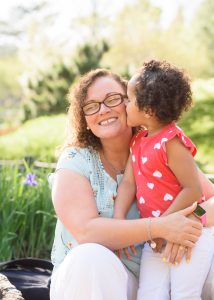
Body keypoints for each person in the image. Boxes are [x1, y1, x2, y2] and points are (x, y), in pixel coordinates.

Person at [49, 68, 214, 300]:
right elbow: (87, 231)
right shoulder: (75, 161)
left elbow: (206, 197)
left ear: (135, 101)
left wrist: (192, 217)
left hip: (152, 275)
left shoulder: (159, 146)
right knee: (89, 257)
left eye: (113, 99)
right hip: (92, 280)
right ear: (84, 119)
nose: (104, 109)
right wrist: (160, 227)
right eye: (92, 105)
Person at [113, 60, 214, 299]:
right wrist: (119, 221)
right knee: (149, 294)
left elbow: (192, 189)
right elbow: (129, 183)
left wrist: (163, 227)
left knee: (184, 294)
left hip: (190, 233)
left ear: (147, 110)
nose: (125, 105)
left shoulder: (172, 142)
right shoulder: (138, 141)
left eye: (129, 99)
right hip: (156, 237)